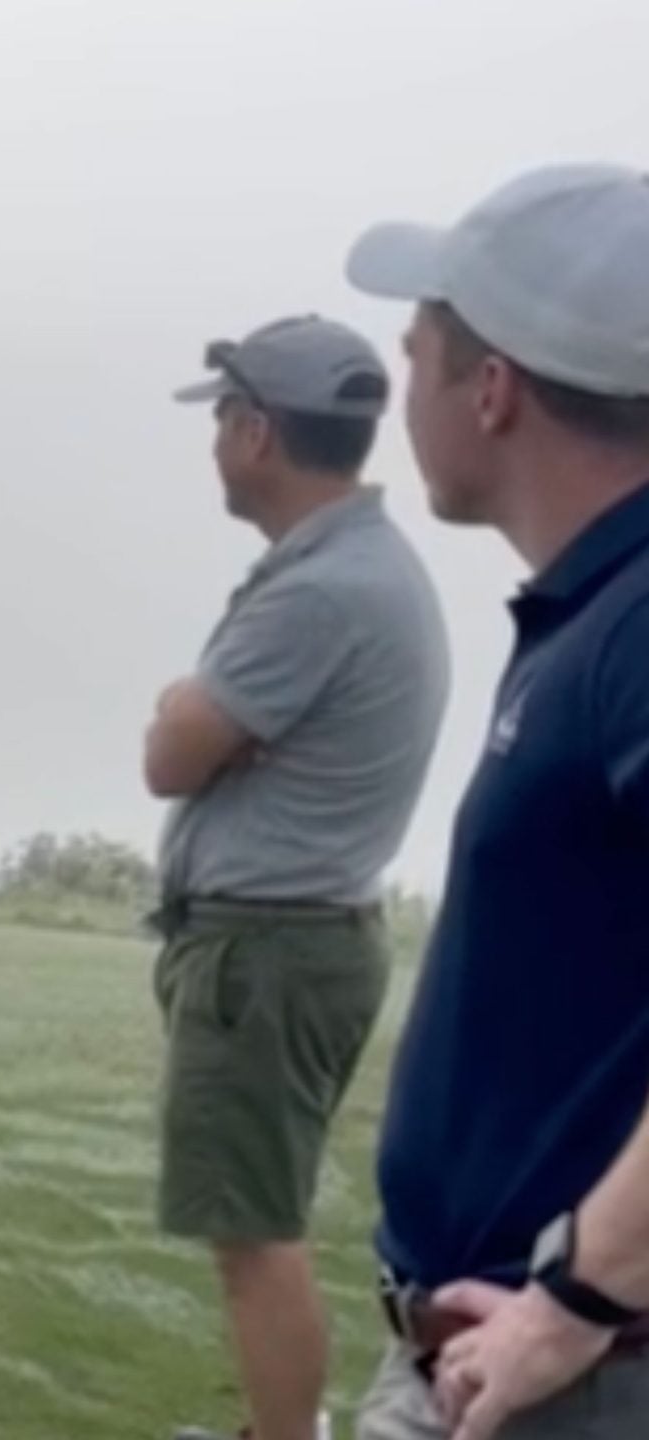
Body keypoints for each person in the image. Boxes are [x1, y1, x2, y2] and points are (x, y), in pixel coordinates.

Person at [338, 162, 649, 1440]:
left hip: (569, 1378)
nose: (402, 384)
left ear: (491, 388)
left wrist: (579, 1293)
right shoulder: (595, 608)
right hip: (497, 1358)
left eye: (414, 350)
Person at [143, 315, 452, 1440]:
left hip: (267, 950)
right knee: (256, 1223)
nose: (215, 440)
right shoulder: (347, 571)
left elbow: (167, 755)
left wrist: (189, 707)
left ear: (256, 432)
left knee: (254, 1237)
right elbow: (194, 736)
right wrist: (202, 714)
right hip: (293, 941)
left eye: (223, 419)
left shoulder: (318, 593)